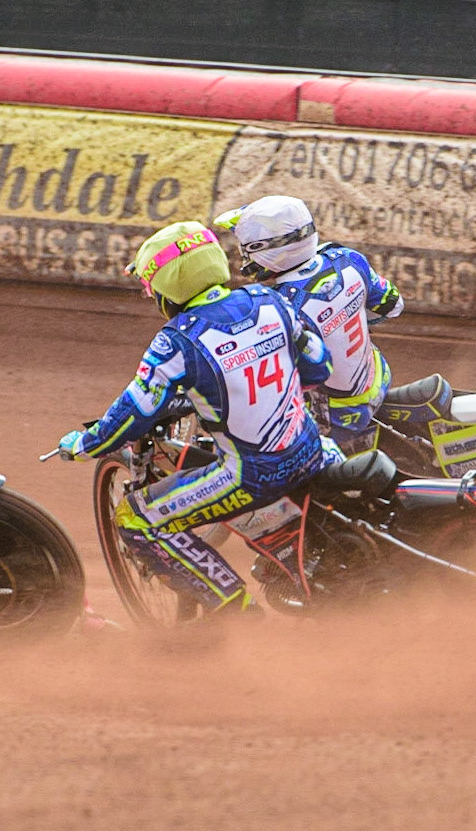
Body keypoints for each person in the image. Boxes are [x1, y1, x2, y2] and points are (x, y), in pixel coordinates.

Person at [56, 220, 336, 615]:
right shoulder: (270, 300)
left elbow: (133, 414)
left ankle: (236, 609)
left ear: (169, 288)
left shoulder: (176, 340)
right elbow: (318, 368)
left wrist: (85, 444)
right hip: (315, 452)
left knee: (136, 520)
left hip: (252, 477)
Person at [215, 196, 403, 454]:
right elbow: (393, 305)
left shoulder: (280, 305)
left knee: (257, 443)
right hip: (378, 379)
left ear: (269, 250)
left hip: (335, 418)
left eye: (247, 249)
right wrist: (343, 315)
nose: (244, 256)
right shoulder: (347, 258)